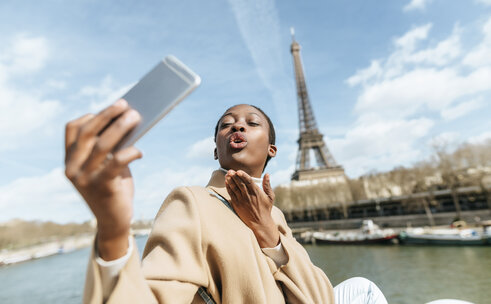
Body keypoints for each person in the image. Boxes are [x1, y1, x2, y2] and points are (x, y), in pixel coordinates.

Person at [65, 101, 387, 304]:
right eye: (226, 124)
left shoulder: (274, 214)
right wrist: (113, 232)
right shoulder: (191, 201)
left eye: (252, 122)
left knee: (361, 285)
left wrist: (269, 234)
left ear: (271, 150)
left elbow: (321, 299)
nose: (237, 125)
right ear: (217, 151)